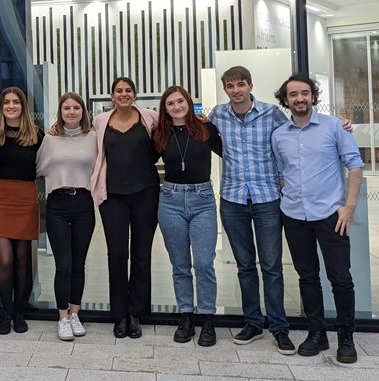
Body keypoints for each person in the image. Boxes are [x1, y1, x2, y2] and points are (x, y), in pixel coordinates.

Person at [272, 74, 363, 363]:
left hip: (331, 216)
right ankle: (317, 334)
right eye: (293, 95)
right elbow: (280, 174)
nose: (300, 99)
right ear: (285, 100)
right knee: (307, 277)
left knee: (340, 278)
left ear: (313, 96)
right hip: (294, 216)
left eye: (305, 93)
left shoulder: (334, 126)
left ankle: (345, 337)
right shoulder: (279, 135)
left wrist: (348, 207)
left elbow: (355, 166)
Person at [208, 66, 296, 354]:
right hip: (233, 199)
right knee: (245, 266)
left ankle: (280, 328)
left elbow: (293, 137)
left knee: (272, 267)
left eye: (241, 84)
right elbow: (205, 137)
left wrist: (339, 125)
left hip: (267, 198)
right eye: (230, 86)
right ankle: (253, 323)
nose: (236, 90)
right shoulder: (218, 115)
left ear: (250, 85)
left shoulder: (271, 113)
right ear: (225, 89)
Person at [152, 86, 222, 346]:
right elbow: (142, 158)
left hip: (202, 199)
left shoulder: (205, 129)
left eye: (180, 101)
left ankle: (208, 318)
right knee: (180, 265)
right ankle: (186, 316)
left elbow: (232, 152)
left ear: (189, 102)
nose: (177, 106)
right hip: (170, 200)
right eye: (170, 103)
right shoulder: (160, 133)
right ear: (165, 108)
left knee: (204, 263)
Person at [91, 77, 158, 339]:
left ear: (135, 94)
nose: (124, 94)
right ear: (111, 95)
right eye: (119, 91)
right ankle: (118, 314)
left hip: (146, 193)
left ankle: (135, 313)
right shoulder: (100, 121)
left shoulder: (149, 118)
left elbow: (170, 134)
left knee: (141, 255)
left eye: (128, 90)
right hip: (113, 196)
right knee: (117, 255)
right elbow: (79, 134)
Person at [36, 92, 97, 341]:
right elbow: (39, 167)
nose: (71, 112)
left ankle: (75, 314)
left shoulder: (93, 137)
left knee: (79, 264)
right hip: (57, 203)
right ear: (60, 113)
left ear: (83, 111)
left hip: (84, 202)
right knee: (64, 265)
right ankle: (62, 317)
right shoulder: (51, 138)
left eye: (76, 108)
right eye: (66, 108)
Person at [0, 87, 44, 335]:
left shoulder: (37, 135)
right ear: (1, 106)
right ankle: (5, 312)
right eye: (6, 102)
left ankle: (19, 312)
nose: (11, 106)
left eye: (16, 102)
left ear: (23, 106)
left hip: (25, 197)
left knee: (22, 259)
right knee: (5, 259)